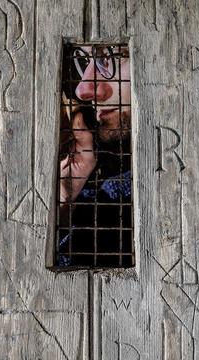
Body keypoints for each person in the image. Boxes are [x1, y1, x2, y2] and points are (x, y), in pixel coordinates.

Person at [57, 45, 133, 267]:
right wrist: (64, 201)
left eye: (110, 57)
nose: (83, 89)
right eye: (83, 60)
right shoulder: (102, 194)